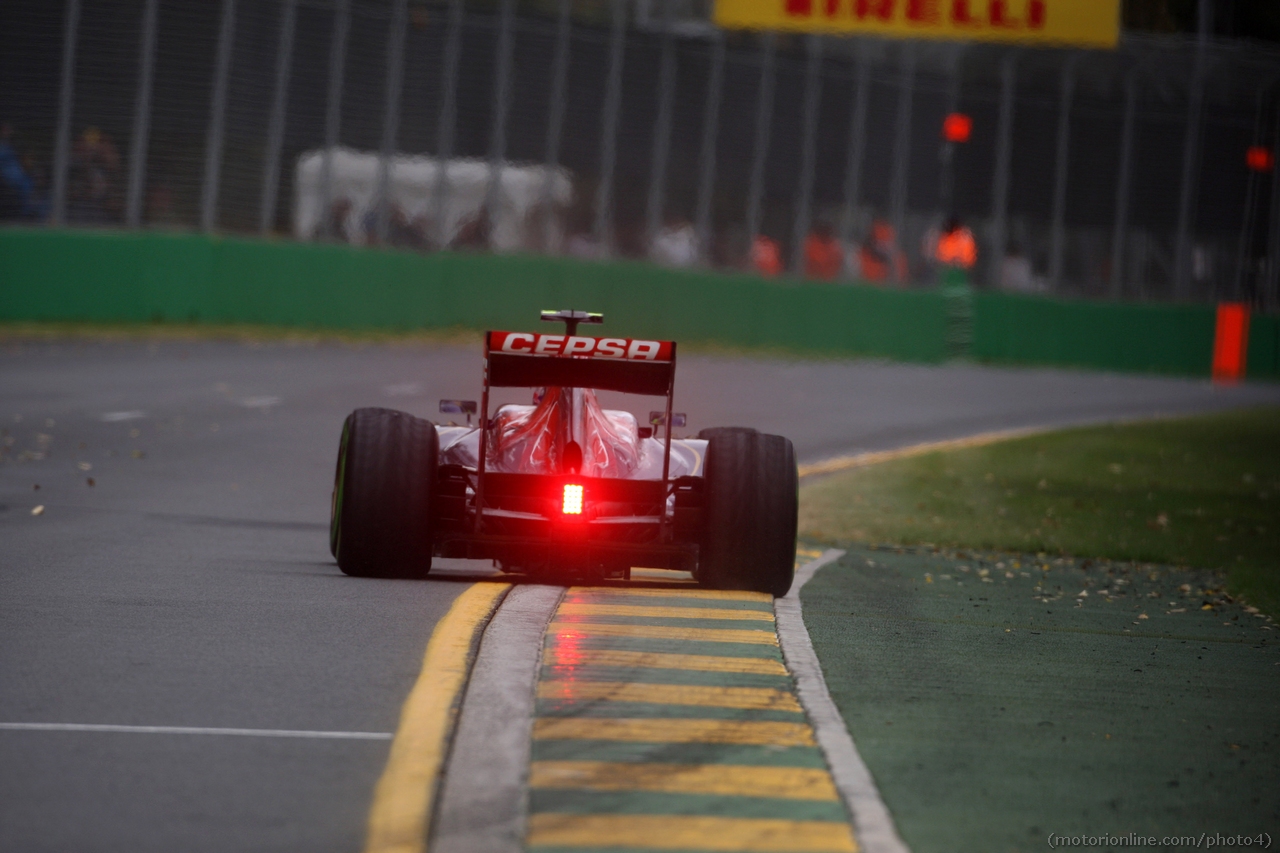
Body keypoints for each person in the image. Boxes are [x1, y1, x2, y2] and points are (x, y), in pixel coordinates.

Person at [858, 219, 907, 284]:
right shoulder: (863, 255)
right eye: (881, 242)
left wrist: (892, 264)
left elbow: (902, 282)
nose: (884, 246)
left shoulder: (898, 259)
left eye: (887, 242)